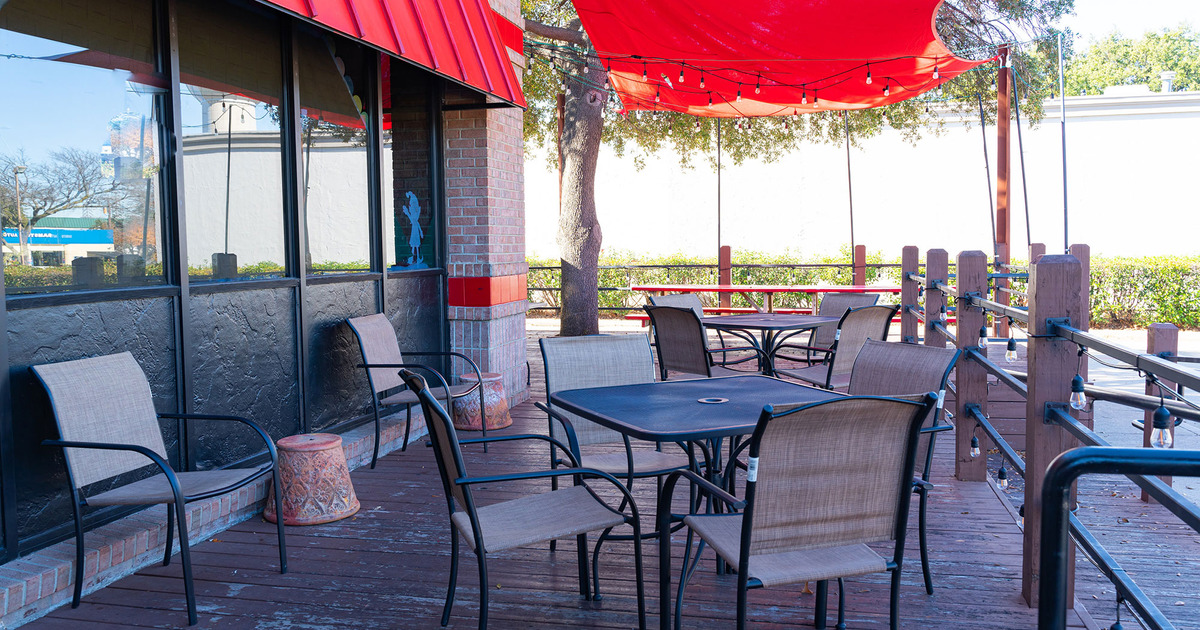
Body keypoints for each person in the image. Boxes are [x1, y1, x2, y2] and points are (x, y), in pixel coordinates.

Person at [403, 191, 423, 266]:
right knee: (414, 244)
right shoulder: (414, 218)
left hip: (415, 232)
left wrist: (407, 212)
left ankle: (416, 258)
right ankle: (415, 257)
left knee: (416, 244)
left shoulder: (414, 217)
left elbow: (414, 221)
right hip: (414, 231)